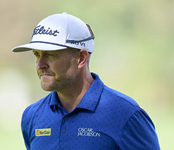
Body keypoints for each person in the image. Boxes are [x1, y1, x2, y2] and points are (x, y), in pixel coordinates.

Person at [12, 12, 160, 150]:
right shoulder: (32, 115)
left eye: (50, 55)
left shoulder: (125, 114)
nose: (40, 64)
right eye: (37, 55)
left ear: (81, 59)